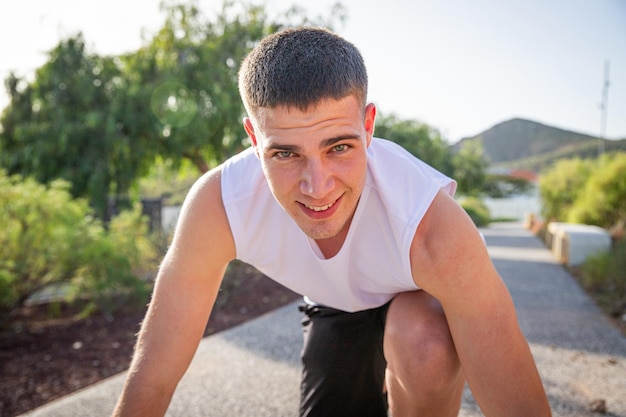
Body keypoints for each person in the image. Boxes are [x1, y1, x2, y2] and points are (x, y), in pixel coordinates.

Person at [112, 27, 551, 417]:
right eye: (286, 153)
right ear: (253, 138)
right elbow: (154, 375)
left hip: (418, 310)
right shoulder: (220, 205)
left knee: (426, 341)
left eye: (339, 147)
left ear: (368, 126)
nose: (317, 187)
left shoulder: (430, 225)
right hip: (335, 312)